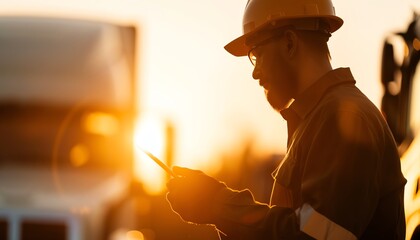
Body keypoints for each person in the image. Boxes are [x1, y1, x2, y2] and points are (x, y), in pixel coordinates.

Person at [166, 0, 407, 239]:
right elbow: (299, 228)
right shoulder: (317, 121)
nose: (255, 72)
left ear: (290, 43)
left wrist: (218, 204)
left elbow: (313, 237)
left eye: (256, 55)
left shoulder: (344, 120)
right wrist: (213, 206)